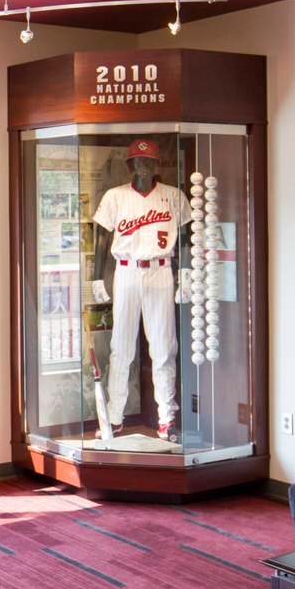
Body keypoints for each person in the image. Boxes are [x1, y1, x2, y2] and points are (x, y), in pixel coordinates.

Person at [91, 139, 190, 442]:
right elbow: (101, 237)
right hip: (127, 271)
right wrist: (97, 278)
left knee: (164, 348)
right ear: (128, 166)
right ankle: (115, 416)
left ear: (157, 165)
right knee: (121, 349)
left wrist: (185, 273)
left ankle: (167, 418)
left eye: (148, 162)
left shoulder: (173, 196)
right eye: (137, 162)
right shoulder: (116, 196)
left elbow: (186, 236)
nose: (142, 167)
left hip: (161, 270)